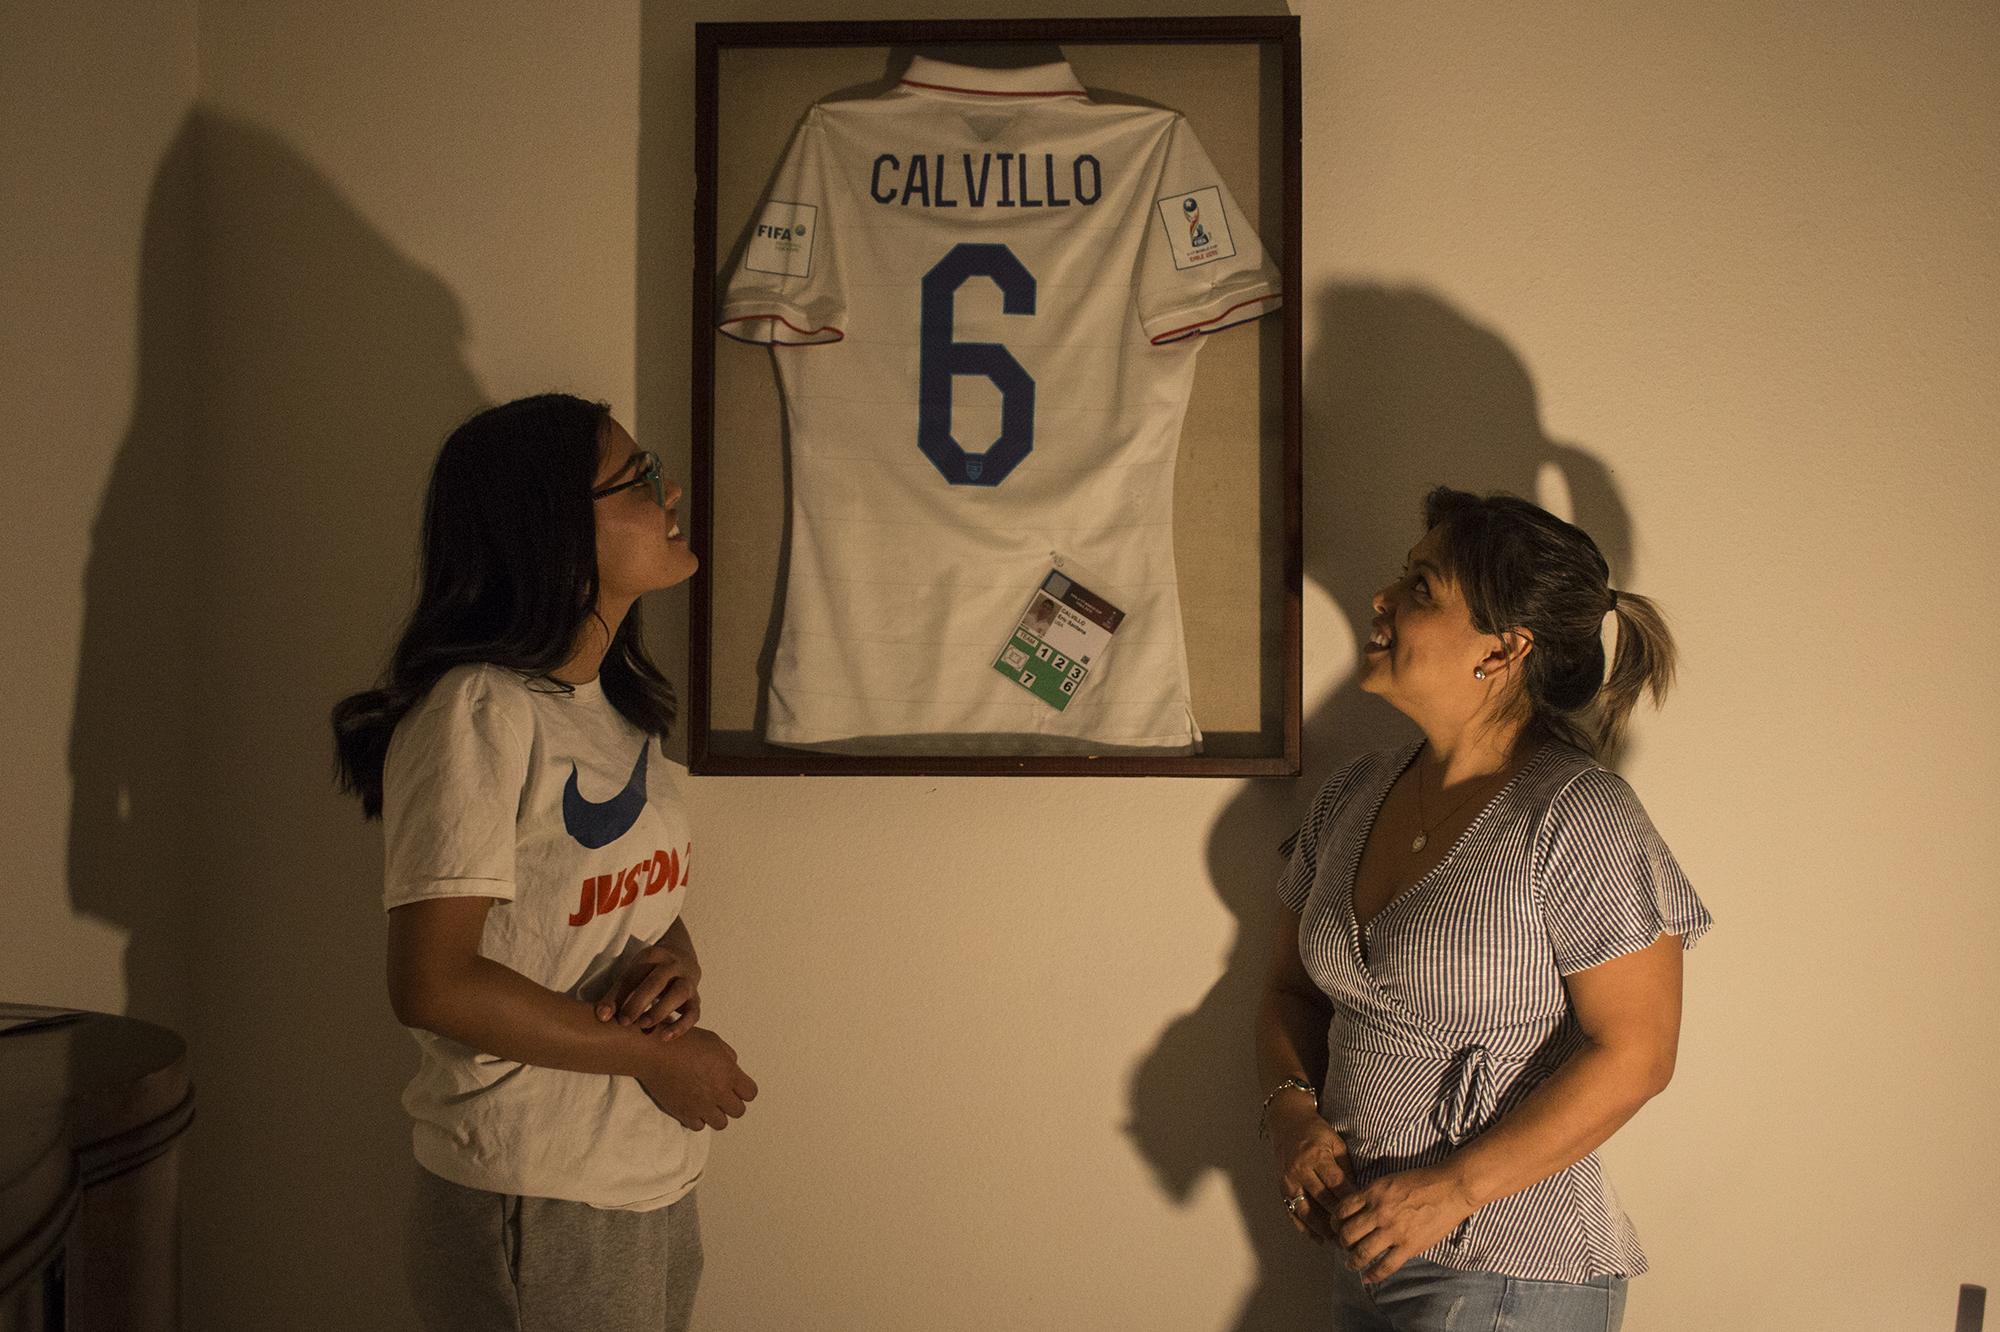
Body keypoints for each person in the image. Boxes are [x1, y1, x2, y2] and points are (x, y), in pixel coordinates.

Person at [331, 393, 757, 1330]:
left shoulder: (612, 707)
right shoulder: (478, 712)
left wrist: (674, 964)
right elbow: (434, 984)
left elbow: (635, 901)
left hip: (638, 1173)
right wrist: (663, 1056)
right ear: (552, 528)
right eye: (639, 478)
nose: (670, 487)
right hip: (534, 1187)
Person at [1254, 486, 1712, 1331]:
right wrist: (1290, 1111)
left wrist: (1451, 1191)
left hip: (1514, 1276)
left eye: (1422, 588)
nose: (1381, 600)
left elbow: (1638, 1052)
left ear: (1504, 650)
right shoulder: (1352, 794)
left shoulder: (1576, 815)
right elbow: (1290, 990)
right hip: (1368, 1257)